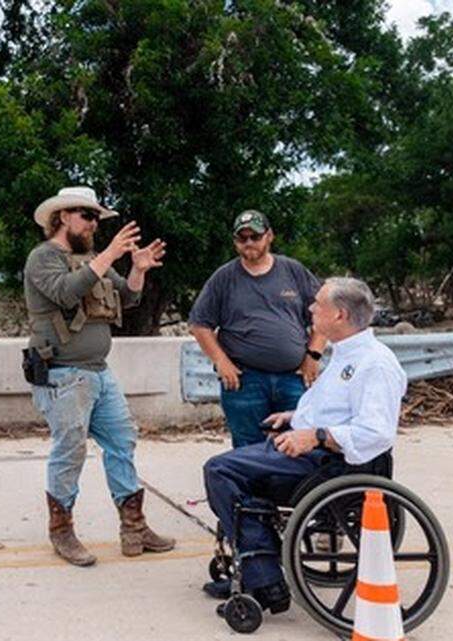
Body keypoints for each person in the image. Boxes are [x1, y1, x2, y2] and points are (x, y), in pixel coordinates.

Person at [201, 277, 407, 618]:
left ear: (339, 315)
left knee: (221, 470)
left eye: (318, 304)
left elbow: (376, 432)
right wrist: (295, 417)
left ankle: (265, 579)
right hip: (317, 452)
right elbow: (338, 410)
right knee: (232, 466)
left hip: (335, 464)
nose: (310, 309)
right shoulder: (346, 354)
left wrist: (316, 436)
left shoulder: (375, 363)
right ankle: (254, 561)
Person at [23, 186, 174, 566]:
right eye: (87, 216)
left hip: (98, 373)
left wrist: (137, 269)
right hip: (63, 375)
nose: (93, 225)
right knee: (69, 451)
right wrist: (109, 255)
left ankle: (134, 528)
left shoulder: (91, 259)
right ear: (63, 218)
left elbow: (128, 297)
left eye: (95, 218)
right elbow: (65, 294)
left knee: (122, 441)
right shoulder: (43, 259)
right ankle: (62, 531)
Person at [189, 210, 326, 448]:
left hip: (294, 378)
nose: (249, 243)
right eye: (242, 238)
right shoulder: (224, 278)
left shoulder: (293, 271)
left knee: (300, 445)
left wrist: (313, 354)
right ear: (235, 242)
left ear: (269, 236)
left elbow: (324, 313)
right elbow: (200, 324)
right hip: (244, 381)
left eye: (255, 236)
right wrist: (221, 361)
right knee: (248, 450)